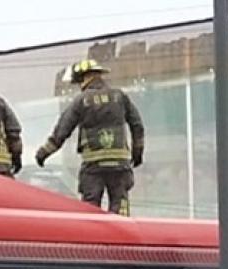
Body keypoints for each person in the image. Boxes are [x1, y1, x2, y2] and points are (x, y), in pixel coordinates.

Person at [34, 58, 145, 215]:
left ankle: (94, 237)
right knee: (120, 204)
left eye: (80, 81)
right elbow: (137, 125)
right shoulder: (119, 97)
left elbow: (62, 131)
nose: (80, 85)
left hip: (94, 165)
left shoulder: (81, 101)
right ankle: (121, 235)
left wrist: (43, 153)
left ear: (86, 77)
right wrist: (137, 153)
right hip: (119, 164)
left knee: (91, 207)